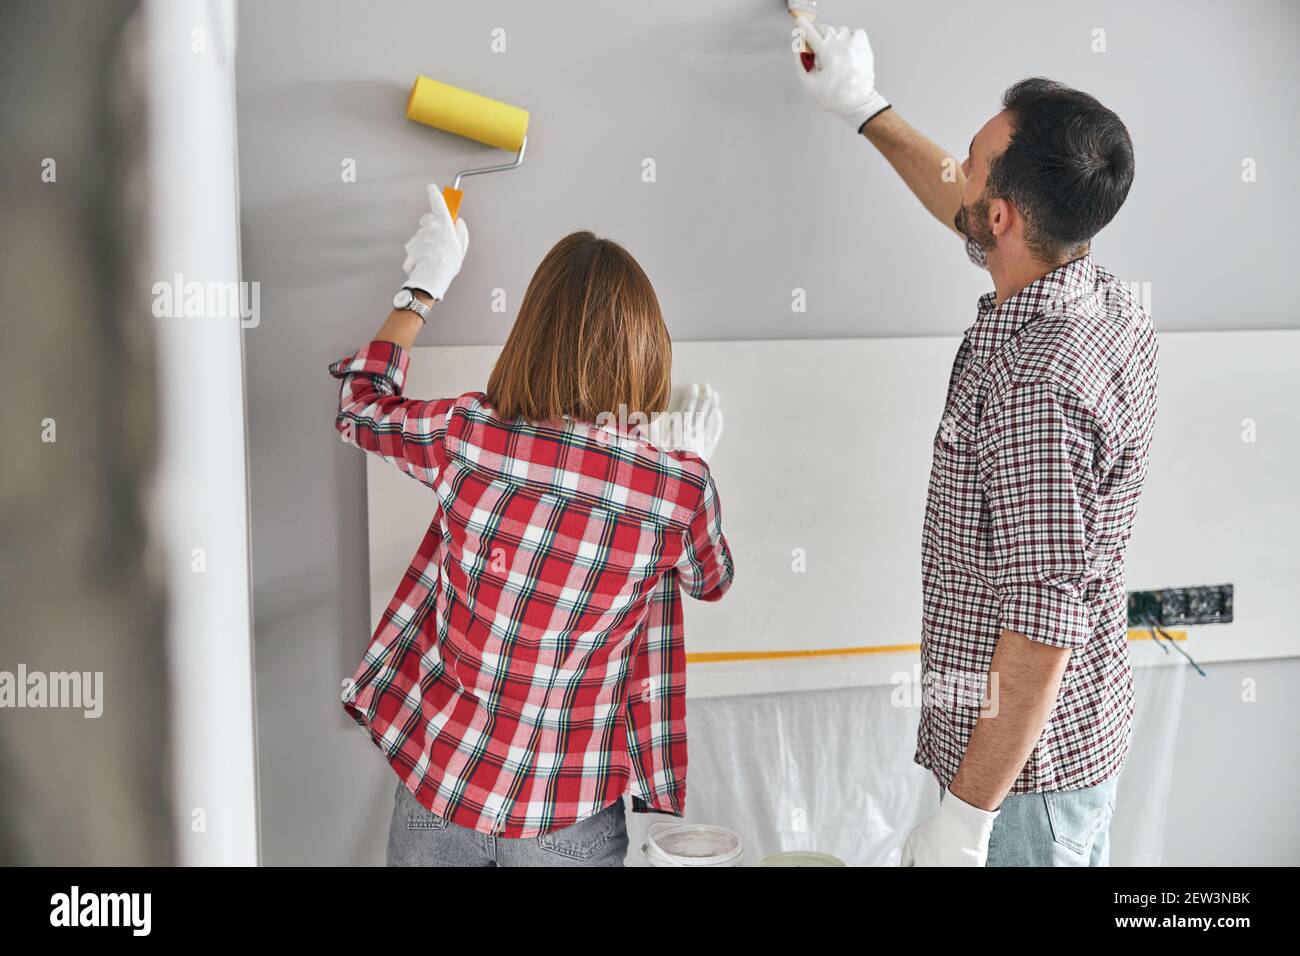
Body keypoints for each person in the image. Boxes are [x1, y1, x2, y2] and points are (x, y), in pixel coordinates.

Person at [793, 20, 1158, 866]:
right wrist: (864, 108)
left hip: (1020, 790)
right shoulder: (1093, 288)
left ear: (1001, 217)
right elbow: (964, 199)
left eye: (975, 161)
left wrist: (966, 815)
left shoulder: (1041, 391)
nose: (958, 170)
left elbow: (1041, 623)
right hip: (1046, 755)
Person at [329, 187, 733, 866]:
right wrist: (693, 465)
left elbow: (360, 408)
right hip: (567, 813)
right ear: (643, 347)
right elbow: (710, 579)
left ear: (532, 333)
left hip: (444, 784)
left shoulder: (470, 436)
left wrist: (421, 289)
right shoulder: (674, 489)